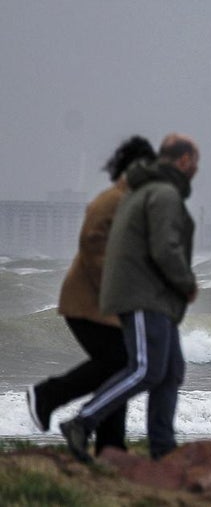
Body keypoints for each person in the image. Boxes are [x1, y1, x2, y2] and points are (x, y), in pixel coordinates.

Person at [60, 133, 200, 462]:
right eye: (195, 161)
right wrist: (185, 282)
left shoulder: (147, 190)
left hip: (154, 296)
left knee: (170, 371)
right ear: (183, 160)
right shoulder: (162, 193)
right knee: (146, 369)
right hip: (144, 295)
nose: (197, 168)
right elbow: (165, 248)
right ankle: (82, 422)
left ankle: (163, 450)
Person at [26, 136, 157, 454]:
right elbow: (91, 244)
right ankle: (46, 395)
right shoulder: (111, 200)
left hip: (108, 307)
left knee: (119, 368)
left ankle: (111, 446)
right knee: (120, 362)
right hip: (87, 303)